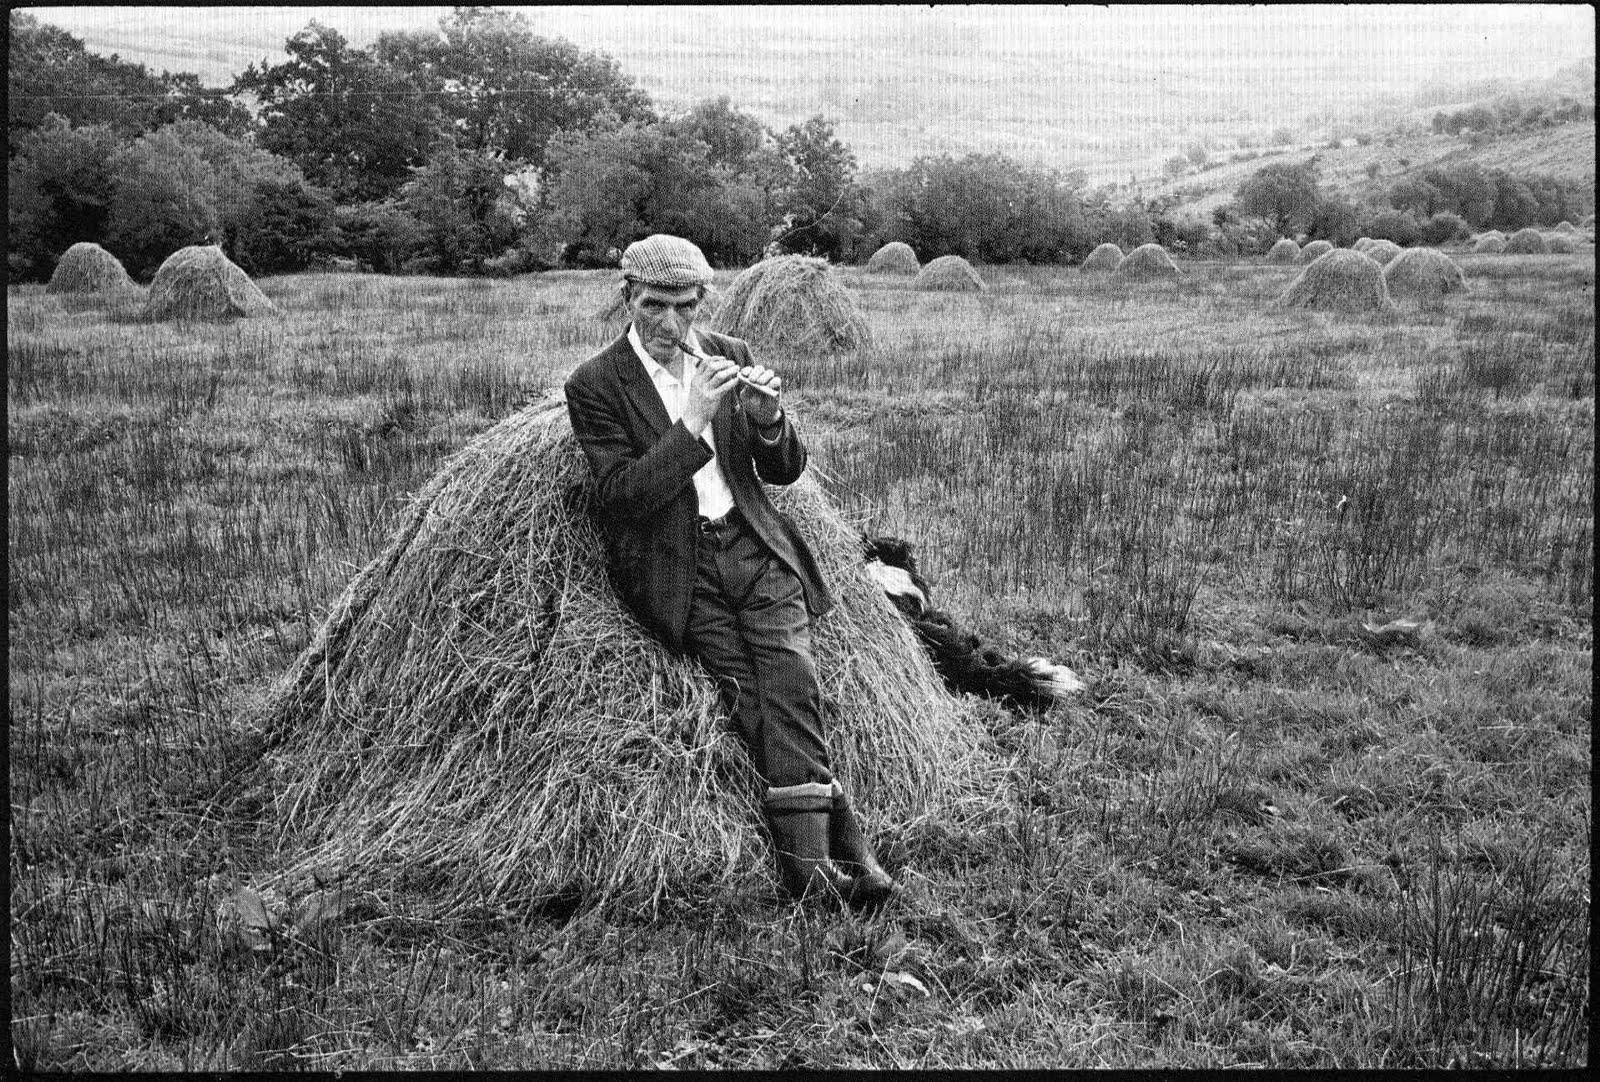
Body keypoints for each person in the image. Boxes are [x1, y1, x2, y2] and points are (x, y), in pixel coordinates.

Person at [563, 234, 896, 909]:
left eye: (685, 308)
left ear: (700, 303)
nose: (669, 325)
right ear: (628, 296)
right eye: (654, 306)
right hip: (681, 564)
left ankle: (822, 861)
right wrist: (692, 421)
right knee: (747, 692)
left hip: (753, 546)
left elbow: (782, 471)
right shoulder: (595, 384)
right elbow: (622, 498)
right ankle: (831, 851)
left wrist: (771, 421)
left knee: (793, 678)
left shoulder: (730, 357)